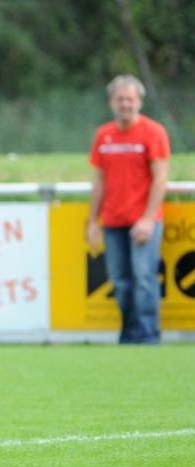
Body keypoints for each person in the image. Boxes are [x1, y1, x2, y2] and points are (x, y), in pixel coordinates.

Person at [86, 74, 170, 344]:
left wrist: (147, 218)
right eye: (120, 99)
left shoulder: (153, 132)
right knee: (120, 282)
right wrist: (92, 220)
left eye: (130, 99)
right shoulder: (104, 135)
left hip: (143, 221)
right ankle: (129, 334)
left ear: (139, 102)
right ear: (111, 102)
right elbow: (99, 180)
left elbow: (160, 178)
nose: (125, 104)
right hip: (113, 220)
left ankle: (148, 336)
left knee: (144, 279)